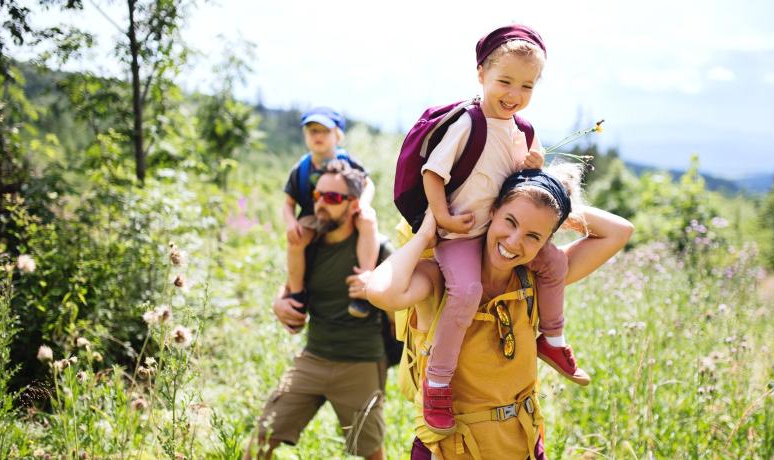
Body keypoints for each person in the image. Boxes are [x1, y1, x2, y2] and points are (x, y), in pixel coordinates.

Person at [366, 166, 634, 459]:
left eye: (534, 236)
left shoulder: (536, 280)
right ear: (491, 211)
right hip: (451, 450)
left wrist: (549, 204)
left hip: (522, 444)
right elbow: (381, 292)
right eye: (510, 220)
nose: (514, 242)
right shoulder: (441, 279)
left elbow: (619, 231)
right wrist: (425, 235)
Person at [416, 24, 586, 434]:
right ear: (481, 75)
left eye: (526, 86)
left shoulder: (521, 129)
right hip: (461, 233)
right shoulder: (467, 123)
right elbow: (432, 173)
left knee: (554, 265)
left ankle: (553, 339)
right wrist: (442, 218)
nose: (514, 94)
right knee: (467, 292)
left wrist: (534, 162)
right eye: (504, 81)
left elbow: (531, 172)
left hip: (499, 230)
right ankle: (437, 382)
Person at [247, 160, 390, 460]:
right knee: (262, 438)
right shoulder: (308, 242)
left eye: (333, 198)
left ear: (354, 205)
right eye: (318, 196)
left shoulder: (378, 248)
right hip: (313, 357)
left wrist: (376, 290)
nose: (321, 204)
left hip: (360, 363)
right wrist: (278, 303)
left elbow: (401, 305)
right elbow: (289, 287)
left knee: (371, 453)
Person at [283, 106, 379, 319]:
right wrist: (291, 223)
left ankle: (363, 283)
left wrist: (363, 204)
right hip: (313, 216)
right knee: (295, 241)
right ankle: (297, 294)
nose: (318, 136)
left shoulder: (348, 162)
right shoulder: (301, 169)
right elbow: (288, 203)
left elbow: (368, 184)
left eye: (324, 131)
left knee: (368, 221)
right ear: (305, 135)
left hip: (346, 213)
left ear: (337, 135)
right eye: (312, 131)